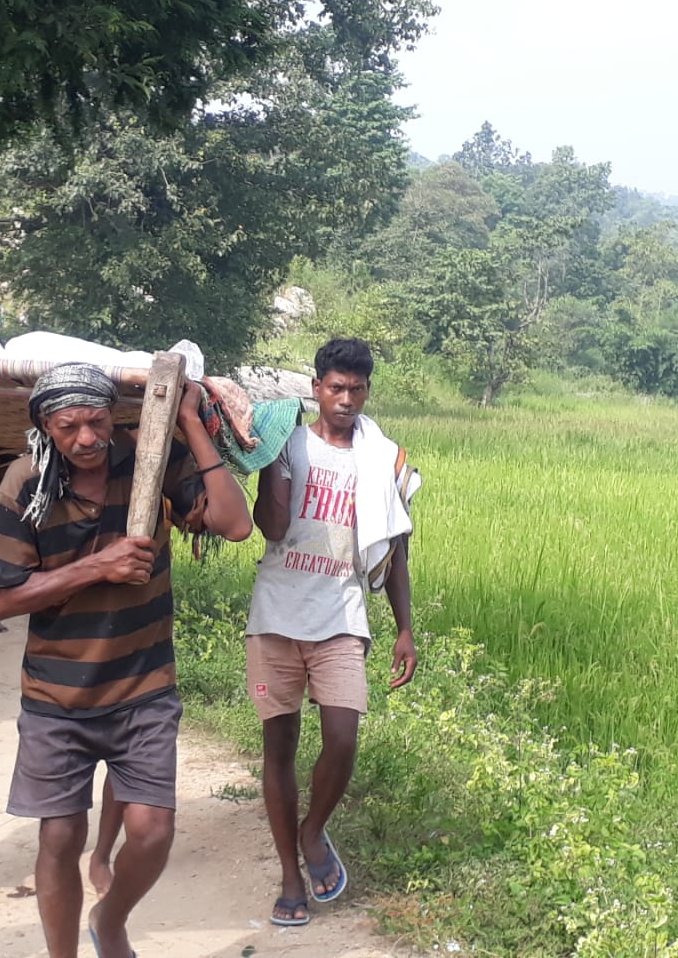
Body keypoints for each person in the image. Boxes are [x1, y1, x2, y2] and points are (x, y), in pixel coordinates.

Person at [0, 363, 252, 958]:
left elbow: (235, 523)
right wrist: (93, 568)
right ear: (45, 427)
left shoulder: (151, 459)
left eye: (96, 421)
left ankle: (112, 917)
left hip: (144, 684)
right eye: (68, 426)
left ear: (114, 416)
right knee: (60, 836)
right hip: (57, 698)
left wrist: (187, 422)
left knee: (153, 833)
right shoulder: (24, 484)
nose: (85, 438)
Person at [245, 337, 421, 927]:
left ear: (368, 391)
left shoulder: (383, 458)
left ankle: (312, 829)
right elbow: (270, 528)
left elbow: (396, 550)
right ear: (317, 388)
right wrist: (270, 462)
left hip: (342, 616)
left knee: (343, 737)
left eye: (357, 389)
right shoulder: (290, 445)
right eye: (336, 388)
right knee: (281, 748)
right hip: (276, 616)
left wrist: (405, 629)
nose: (346, 400)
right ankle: (290, 876)